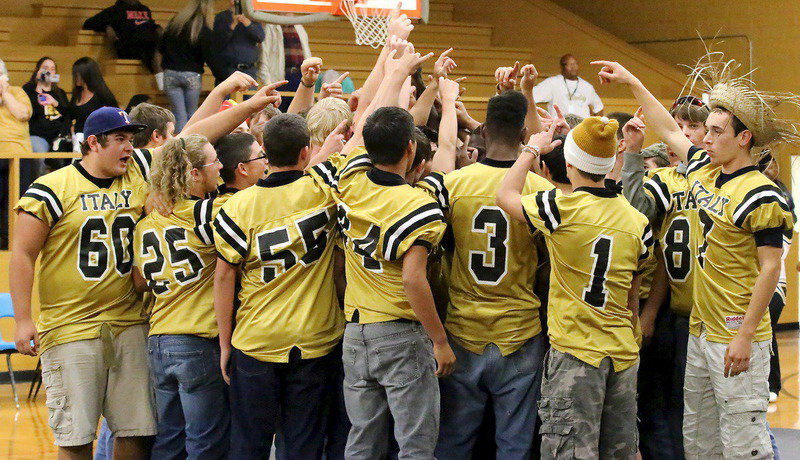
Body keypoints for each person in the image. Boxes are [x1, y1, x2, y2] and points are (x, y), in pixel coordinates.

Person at [593, 56, 795, 459]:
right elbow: (667, 128)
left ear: (744, 138)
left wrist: (745, 335)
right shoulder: (704, 168)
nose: (706, 138)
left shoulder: (761, 194)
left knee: (742, 441)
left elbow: (771, 268)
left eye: (716, 132)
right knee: (699, 439)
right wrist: (632, 79)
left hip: (735, 332)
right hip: (700, 331)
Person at [497, 116, 653, 458]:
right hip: (622, 355)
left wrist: (530, 150)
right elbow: (633, 290)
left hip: (576, 354)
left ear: (569, 163)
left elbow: (505, 194)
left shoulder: (560, 208)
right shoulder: (636, 221)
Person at [11, 107, 156, 460]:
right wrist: (23, 320)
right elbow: (22, 254)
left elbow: (192, 134)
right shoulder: (53, 187)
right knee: (75, 437)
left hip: (130, 322)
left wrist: (234, 98)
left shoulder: (138, 173)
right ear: (93, 142)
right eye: (120, 139)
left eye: (132, 140)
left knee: (137, 432)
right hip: (71, 328)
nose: (129, 148)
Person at [419, 89, 553, 458]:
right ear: (526, 134)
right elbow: (547, 267)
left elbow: (432, 255)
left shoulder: (452, 185)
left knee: (454, 442)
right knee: (514, 445)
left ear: (485, 131)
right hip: (521, 331)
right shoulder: (541, 191)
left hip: (463, 328)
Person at [213, 114, 344, 458]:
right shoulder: (324, 188)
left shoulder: (235, 208)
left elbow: (224, 277)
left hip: (256, 341)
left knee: (248, 446)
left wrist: (225, 344)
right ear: (305, 153)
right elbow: (358, 136)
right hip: (315, 341)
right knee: (304, 446)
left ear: (266, 156)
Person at [131, 135, 229, 458]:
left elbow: (140, 281)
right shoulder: (209, 214)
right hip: (197, 339)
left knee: (169, 441)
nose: (221, 166)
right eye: (215, 160)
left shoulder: (147, 222)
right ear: (195, 173)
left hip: (159, 340)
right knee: (205, 441)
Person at [759, 154, 795, 404]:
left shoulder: (779, 206)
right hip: (756, 281)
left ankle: (772, 384)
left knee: (766, 333)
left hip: (774, 283)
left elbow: (776, 254)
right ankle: (768, 384)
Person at [159, 0, 214, 132]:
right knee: (192, 114)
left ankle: (179, 143)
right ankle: (188, 145)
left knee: (178, 114)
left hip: (170, 72)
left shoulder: (176, 22)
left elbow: (161, 47)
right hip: (192, 73)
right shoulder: (203, 27)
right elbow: (208, 54)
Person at [0, 57, 34, 249]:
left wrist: (5, 94)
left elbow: (22, 114)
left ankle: (14, 241)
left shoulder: (17, 92)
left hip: (19, 156)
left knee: (17, 201)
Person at [82, 0, 162, 76]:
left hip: (147, 44)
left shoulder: (145, 9)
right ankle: (162, 84)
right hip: (127, 47)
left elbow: (150, 25)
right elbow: (88, 24)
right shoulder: (115, 10)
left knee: (163, 47)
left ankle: (163, 82)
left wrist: (157, 28)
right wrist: (106, 27)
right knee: (156, 50)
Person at [22, 57, 71, 179]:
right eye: (45, 68)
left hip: (58, 137)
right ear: (38, 71)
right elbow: (28, 114)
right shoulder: (28, 90)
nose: (49, 72)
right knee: (37, 154)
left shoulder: (60, 93)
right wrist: (38, 88)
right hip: (38, 135)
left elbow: (68, 114)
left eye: (53, 69)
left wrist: (55, 102)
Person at [68, 57, 119, 149]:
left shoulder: (103, 96)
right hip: (75, 140)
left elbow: (113, 118)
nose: (75, 77)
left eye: (78, 74)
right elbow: (69, 115)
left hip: (95, 141)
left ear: (87, 75)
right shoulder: (77, 94)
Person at [210, 0, 265, 84]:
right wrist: (233, 24)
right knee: (227, 96)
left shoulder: (252, 16)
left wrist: (247, 23)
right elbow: (218, 41)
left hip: (249, 70)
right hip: (228, 71)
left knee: (251, 97)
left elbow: (260, 37)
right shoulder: (221, 17)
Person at [532, 54, 603, 117]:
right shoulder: (552, 83)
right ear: (562, 67)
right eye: (570, 64)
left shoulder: (587, 86)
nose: (573, 67)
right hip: (559, 128)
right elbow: (531, 96)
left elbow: (598, 107)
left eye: (575, 64)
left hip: (581, 129)